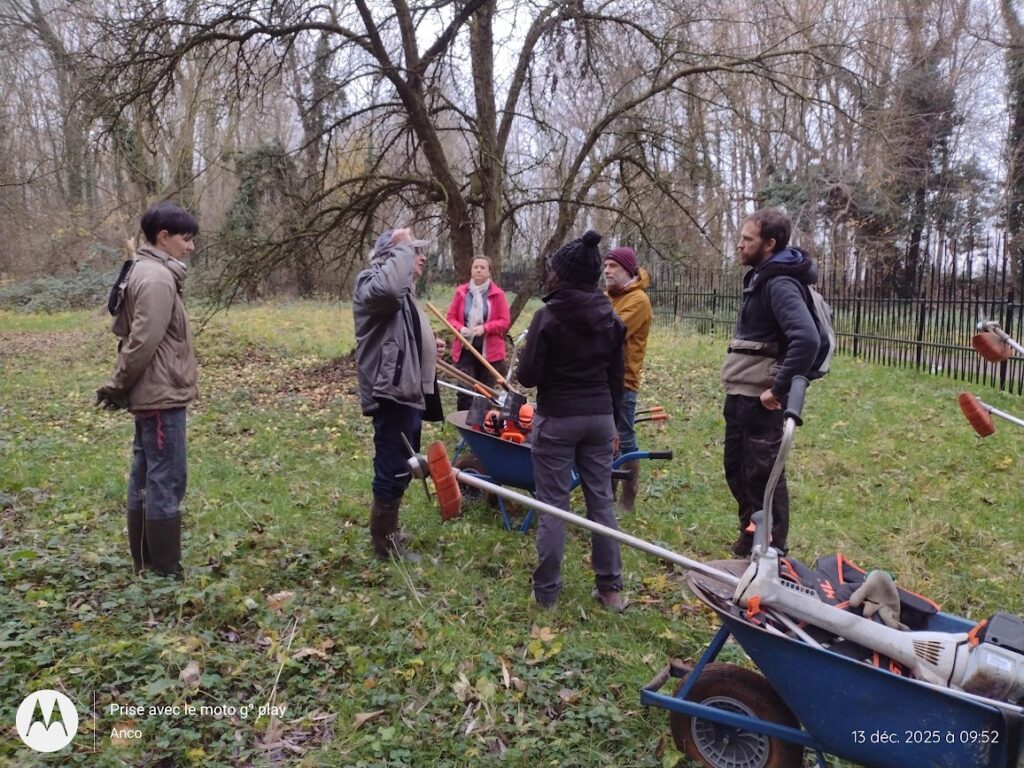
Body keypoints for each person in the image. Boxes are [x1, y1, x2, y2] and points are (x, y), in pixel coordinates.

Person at [515, 229, 627, 611]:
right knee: (601, 503)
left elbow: (527, 377)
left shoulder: (547, 317)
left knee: (552, 506)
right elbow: (618, 379)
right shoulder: (612, 319)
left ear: (561, 275)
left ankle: (547, 593)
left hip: (559, 419)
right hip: (599, 419)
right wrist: (613, 425)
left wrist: (528, 354)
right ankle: (610, 589)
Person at [96, 202, 199, 577]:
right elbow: (142, 342)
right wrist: (117, 385)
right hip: (160, 395)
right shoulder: (156, 278)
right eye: (186, 240)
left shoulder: (147, 271)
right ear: (164, 237)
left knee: (146, 477)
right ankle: (164, 571)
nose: (189, 247)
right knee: (165, 479)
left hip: (153, 394)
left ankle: (147, 563)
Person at [721, 208, 820, 557]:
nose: (739, 245)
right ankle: (751, 535)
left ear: (770, 244)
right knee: (737, 468)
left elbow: (807, 339)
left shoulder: (778, 282)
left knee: (764, 475)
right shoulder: (761, 277)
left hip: (759, 399)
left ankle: (772, 550)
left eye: (747, 239)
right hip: (741, 393)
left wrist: (777, 389)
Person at [353, 227, 445, 562]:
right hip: (390, 392)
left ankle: (390, 530)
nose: (420, 258)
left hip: (407, 392)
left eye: (417, 252)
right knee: (392, 465)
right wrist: (401, 247)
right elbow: (389, 292)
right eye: (412, 252)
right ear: (391, 257)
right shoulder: (372, 283)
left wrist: (425, 345)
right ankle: (384, 543)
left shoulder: (403, 293)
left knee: (404, 464)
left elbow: (399, 332)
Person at [602, 246, 652, 512]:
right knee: (606, 436)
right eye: (606, 265)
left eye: (614, 267)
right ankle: (607, 494)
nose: (607, 271)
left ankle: (627, 501)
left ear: (628, 270)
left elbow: (609, 331)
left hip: (623, 380)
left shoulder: (638, 300)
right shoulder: (609, 296)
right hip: (602, 377)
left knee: (625, 436)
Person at [445, 256, 511, 410]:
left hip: (490, 354)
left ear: (489, 272)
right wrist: (460, 329)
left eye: (483, 267)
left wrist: (485, 328)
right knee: (465, 391)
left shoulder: (498, 294)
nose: (479, 270)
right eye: (476, 267)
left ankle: (481, 427)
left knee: (485, 393)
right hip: (465, 350)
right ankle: (462, 424)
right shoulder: (461, 292)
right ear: (471, 270)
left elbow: (504, 321)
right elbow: (450, 318)